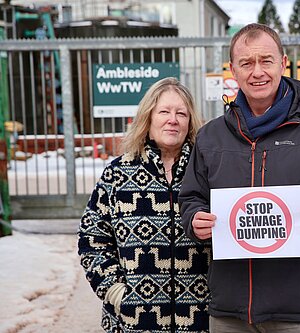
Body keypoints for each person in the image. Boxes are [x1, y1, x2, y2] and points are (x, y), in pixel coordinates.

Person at [179, 23, 300, 332]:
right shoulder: (211, 136)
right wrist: (195, 219)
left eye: (266, 60)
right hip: (230, 312)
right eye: (246, 63)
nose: (257, 71)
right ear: (233, 71)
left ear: (283, 63)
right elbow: (191, 198)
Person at [78, 77, 210, 333]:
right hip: (133, 322)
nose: (173, 119)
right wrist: (116, 293)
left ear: (190, 122)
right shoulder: (117, 174)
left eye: (181, 113)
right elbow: (91, 238)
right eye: (164, 111)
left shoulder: (208, 172)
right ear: (148, 118)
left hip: (200, 320)